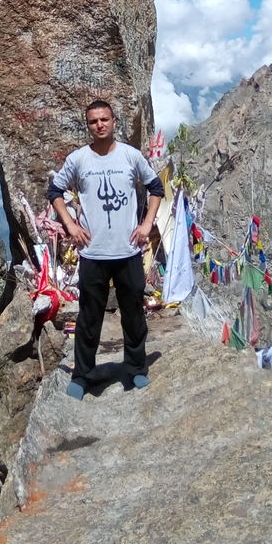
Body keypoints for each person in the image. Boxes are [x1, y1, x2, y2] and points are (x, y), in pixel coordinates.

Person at [48, 99, 164, 400]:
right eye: (93, 121)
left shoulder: (130, 156)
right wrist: (71, 225)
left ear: (114, 122)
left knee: (133, 315)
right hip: (93, 253)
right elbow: (55, 191)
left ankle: (136, 369)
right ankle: (83, 376)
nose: (100, 125)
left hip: (127, 252)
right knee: (89, 318)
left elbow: (156, 188)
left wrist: (146, 224)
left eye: (104, 119)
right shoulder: (78, 160)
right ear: (88, 125)